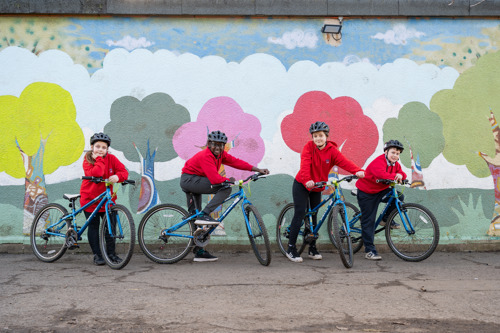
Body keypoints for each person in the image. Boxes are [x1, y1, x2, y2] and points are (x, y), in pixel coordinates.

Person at [180, 130, 270, 262]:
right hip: (189, 180)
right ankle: (205, 213)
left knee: (196, 217)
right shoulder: (207, 156)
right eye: (215, 144)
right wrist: (229, 180)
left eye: (221, 145)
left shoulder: (220, 155)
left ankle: (199, 251)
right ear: (209, 144)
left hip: (197, 180)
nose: (218, 147)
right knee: (225, 188)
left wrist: (257, 169)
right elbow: (215, 179)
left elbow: (236, 162)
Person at [286, 121, 365, 263]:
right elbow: (304, 165)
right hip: (302, 183)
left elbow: (344, 162)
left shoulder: (332, 150)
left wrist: (358, 171)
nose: (318, 138)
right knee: (300, 212)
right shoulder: (308, 147)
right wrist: (307, 180)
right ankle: (291, 248)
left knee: (314, 216)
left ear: (326, 136)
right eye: (315, 136)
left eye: (320, 135)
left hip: (317, 186)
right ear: (312, 137)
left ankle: (312, 248)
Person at [80, 132, 129, 266]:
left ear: (107, 149)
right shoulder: (88, 159)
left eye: (104, 147)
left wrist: (118, 177)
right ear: (92, 147)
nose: (100, 150)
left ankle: (111, 254)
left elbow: (123, 171)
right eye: (98, 146)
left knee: (110, 228)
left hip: (107, 200)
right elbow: (97, 173)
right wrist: (100, 159)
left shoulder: (112, 159)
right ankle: (97, 255)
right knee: (94, 227)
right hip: (90, 199)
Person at [355, 139, 407, 260]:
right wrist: (396, 176)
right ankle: (369, 250)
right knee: (369, 220)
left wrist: (401, 175)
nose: (395, 155)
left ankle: (385, 218)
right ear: (386, 152)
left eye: (397, 154)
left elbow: (401, 173)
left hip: (380, 191)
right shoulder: (378, 162)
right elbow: (381, 175)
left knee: (399, 197)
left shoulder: (395, 164)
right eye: (393, 152)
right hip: (366, 192)